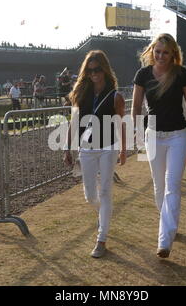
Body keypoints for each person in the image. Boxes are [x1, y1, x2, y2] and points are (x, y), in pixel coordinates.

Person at [131, 33, 186, 258]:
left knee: (172, 185)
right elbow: (135, 108)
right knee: (159, 187)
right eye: (157, 51)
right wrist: (137, 134)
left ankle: (164, 240)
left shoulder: (182, 74)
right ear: (152, 51)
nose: (161, 56)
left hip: (177, 136)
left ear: (173, 55)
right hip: (153, 135)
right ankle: (170, 224)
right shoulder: (142, 74)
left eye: (165, 52)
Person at [63, 50, 126, 258]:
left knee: (106, 190)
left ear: (105, 69)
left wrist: (123, 149)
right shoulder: (81, 93)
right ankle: (103, 213)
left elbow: (120, 124)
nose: (94, 74)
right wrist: (67, 147)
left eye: (98, 69)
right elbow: (73, 121)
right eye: (90, 71)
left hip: (108, 147)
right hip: (86, 148)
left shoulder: (116, 95)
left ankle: (101, 239)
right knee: (90, 195)